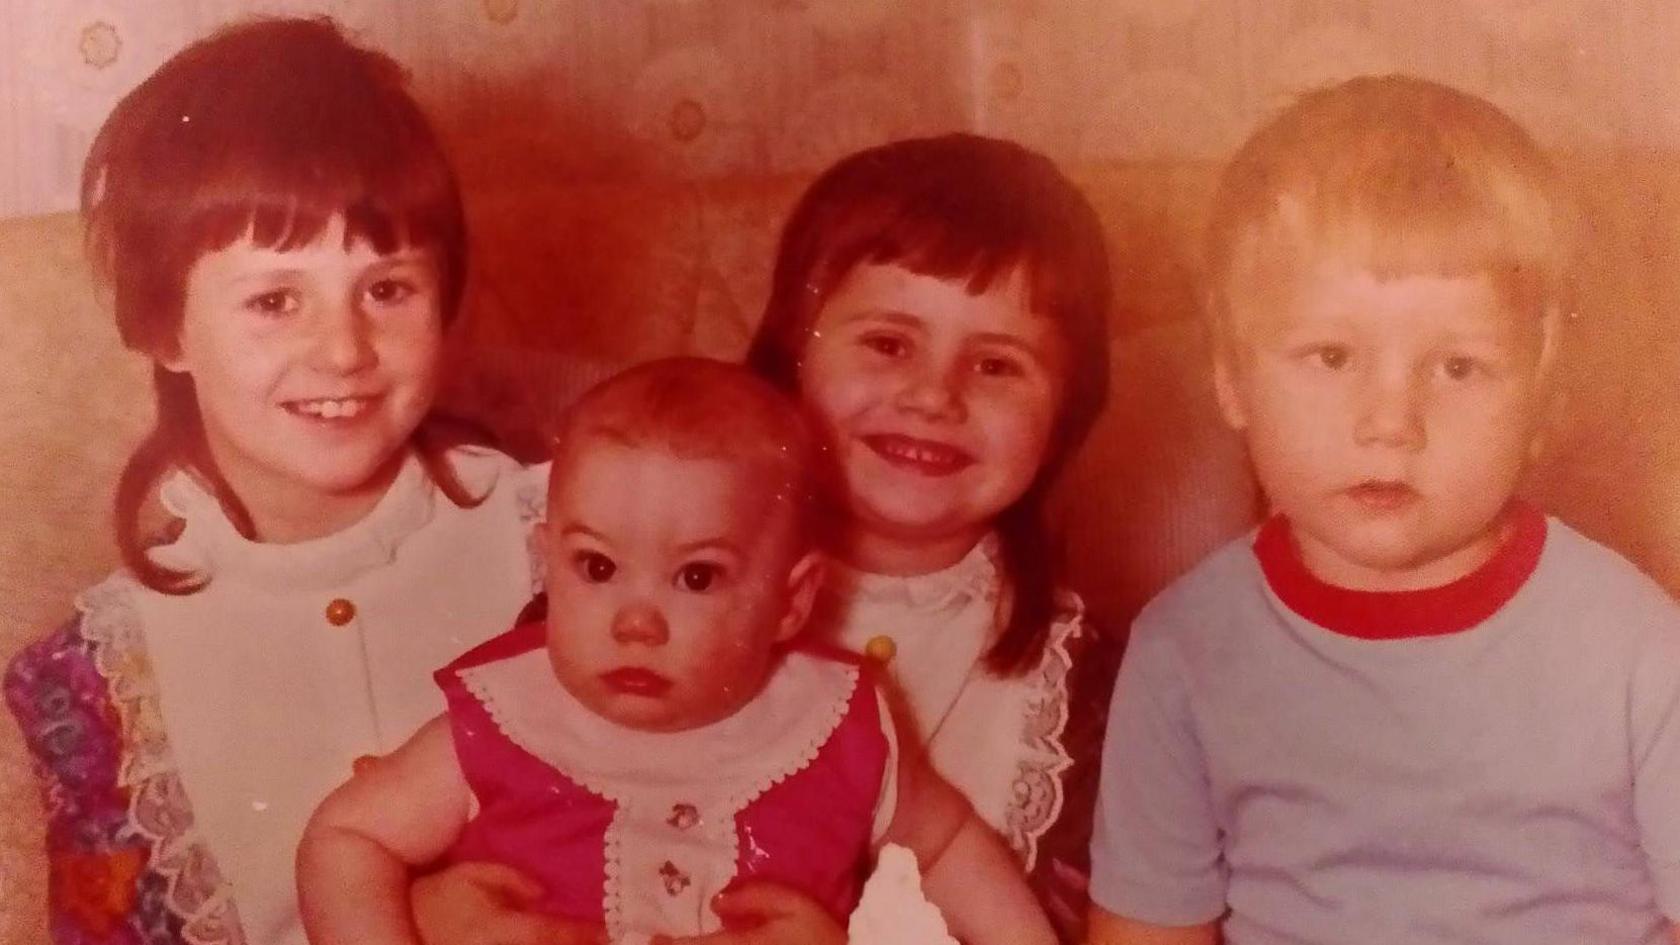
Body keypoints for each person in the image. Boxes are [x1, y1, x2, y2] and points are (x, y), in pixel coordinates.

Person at [1, 17, 567, 945]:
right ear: (164, 330)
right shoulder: (98, 687)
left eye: (387, 289)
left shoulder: (569, 544)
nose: (343, 351)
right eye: (274, 300)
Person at [1086, 75, 1680, 945]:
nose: (1390, 423)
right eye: (1332, 356)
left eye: (1457, 367)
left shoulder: (1634, 643)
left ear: (1543, 396)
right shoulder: (1185, 648)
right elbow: (1148, 930)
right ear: (1231, 377)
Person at [296, 357, 1058, 945]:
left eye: (696, 577)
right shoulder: (504, 717)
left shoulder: (836, 723)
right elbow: (347, 837)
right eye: (596, 567)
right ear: (547, 561)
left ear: (791, 601)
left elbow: (950, 843)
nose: (637, 623)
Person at [744, 132, 1117, 940]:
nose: (932, 396)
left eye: (996, 366)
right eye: (888, 343)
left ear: (1062, 421)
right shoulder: (647, 574)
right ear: (791, 357)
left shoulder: (1092, 694)